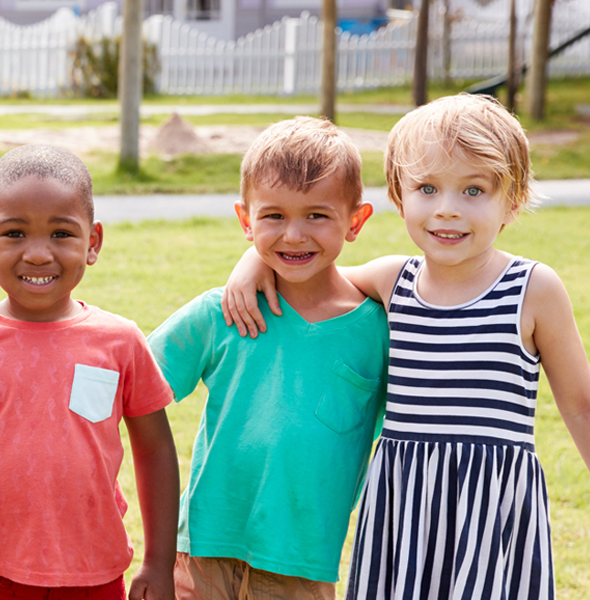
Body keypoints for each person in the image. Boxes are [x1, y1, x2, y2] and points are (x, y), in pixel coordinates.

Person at [221, 94, 590, 600]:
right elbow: (311, 271)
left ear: (513, 198)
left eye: (474, 190)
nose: (447, 210)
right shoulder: (395, 280)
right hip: (405, 504)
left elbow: (582, 406)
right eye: (427, 187)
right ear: (399, 194)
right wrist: (255, 261)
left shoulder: (533, 288)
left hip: (489, 506)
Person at [0, 144, 181, 600]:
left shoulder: (120, 341)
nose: (37, 254)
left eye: (61, 234)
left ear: (92, 243)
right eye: (14, 233)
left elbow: (154, 451)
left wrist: (158, 563)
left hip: (96, 580)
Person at [147, 117, 384, 600]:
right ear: (245, 220)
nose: (294, 235)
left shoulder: (380, 331)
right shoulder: (223, 312)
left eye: (317, 216)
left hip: (303, 563)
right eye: (273, 216)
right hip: (202, 551)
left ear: (355, 221)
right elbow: (132, 386)